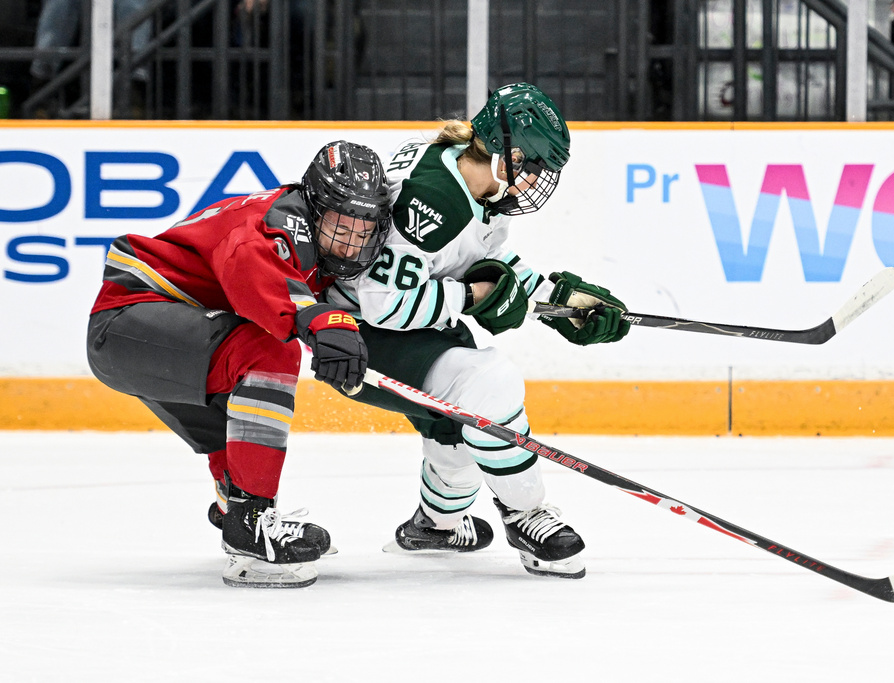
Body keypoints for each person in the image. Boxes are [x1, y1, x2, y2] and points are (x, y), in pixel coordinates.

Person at [326, 83, 630, 579]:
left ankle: (438, 524)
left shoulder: (472, 179)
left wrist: (561, 301)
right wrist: (470, 299)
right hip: (356, 335)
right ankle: (525, 512)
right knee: (489, 384)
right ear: (505, 153)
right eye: (532, 166)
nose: (536, 180)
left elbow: (482, 263)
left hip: (402, 327)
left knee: (458, 426)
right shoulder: (434, 199)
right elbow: (384, 305)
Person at [86, 140, 391, 588]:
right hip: (129, 321)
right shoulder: (275, 224)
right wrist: (316, 319)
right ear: (314, 205)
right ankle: (251, 523)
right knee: (267, 351)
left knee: (239, 405)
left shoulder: (305, 233)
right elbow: (252, 271)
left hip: (160, 335)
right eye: (339, 225)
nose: (349, 241)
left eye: (361, 229)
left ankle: (236, 504)